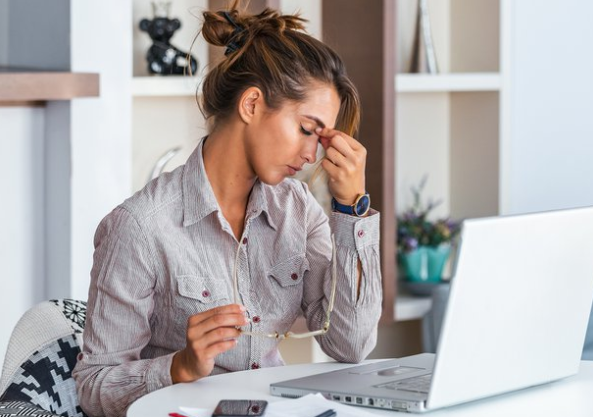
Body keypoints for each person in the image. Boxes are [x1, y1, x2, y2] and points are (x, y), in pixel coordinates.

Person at [72, 4, 382, 417]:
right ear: (252, 104)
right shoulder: (141, 227)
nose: (311, 155)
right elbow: (93, 387)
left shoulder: (299, 209)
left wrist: (352, 210)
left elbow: (351, 344)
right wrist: (178, 366)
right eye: (307, 130)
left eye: (320, 141)